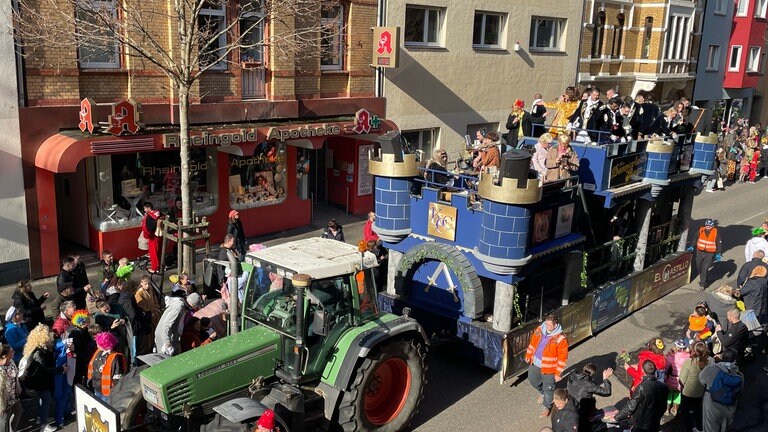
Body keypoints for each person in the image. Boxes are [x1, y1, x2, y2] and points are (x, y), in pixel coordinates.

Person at [525, 314, 569, 418]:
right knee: (533, 380)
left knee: (549, 389)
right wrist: (528, 355)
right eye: (546, 324)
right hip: (535, 363)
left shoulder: (561, 338)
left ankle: (547, 406)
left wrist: (558, 373)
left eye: (550, 325)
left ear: (556, 325)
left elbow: (562, 358)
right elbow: (533, 343)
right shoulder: (540, 329)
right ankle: (543, 392)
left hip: (549, 369)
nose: (547, 326)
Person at [23, 324, 65, 432]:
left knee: (43, 401)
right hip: (40, 382)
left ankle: (40, 418)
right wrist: (61, 369)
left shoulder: (37, 348)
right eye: (48, 333)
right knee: (45, 401)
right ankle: (43, 425)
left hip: (39, 381)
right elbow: (45, 369)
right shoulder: (38, 352)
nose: (50, 334)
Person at [611, 360, 669, 432]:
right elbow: (664, 406)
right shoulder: (664, 386)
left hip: (642, 423)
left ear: (642, 370)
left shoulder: (642, 387)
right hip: (655, 421)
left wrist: (616, 417)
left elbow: (630, 406)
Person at [698, 349, 743, 432]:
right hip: (729, 406)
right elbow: (740, 391)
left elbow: (701, 380)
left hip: (712, 404)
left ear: (722, 357)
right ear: (734, 360)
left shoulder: (711, 369)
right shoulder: (739, 375)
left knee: (709, 427)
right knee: (725, 427)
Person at [566, 363, 612, 431]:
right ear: (593, 374)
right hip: (582, 410)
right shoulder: (589, 384)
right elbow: (607, 392)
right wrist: (605, 379)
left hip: (570, 405)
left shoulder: (572, 375)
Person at [678, 342, 711, 432]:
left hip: (687, 392)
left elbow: (682, 379)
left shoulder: (689, 362)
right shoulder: (709, 361)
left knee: (686, 411)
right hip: (700, 392)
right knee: (697, 410)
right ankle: (700, 427)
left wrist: (683, 387)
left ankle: (690, 428)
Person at [87, 332, 127, 403]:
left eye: (99, 343)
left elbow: (117, 377)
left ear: (105, 345)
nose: (97, 345)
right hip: (97, 386)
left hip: (107, 392)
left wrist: (114, 391)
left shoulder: (116, 357)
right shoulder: (99, 352)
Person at [51, 319, 72, 428]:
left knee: (65, 393)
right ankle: (61, 418)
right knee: (62, 394)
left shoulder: (61, 341)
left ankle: (64, 415)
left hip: (64, 371)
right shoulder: (59, 343)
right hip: (61, 371)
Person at [135, 275, 161, 356]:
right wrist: (149, 312)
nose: (147, 286)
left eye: (149, 284)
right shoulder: (139, 293)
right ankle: (147, 350)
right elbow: (142, 305)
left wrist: (157, 309)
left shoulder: (151, 289)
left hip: (155, 315)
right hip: (148, 317)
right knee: (148, 336)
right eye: (145, 284)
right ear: (141, 283)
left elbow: (155, 300)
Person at [692, 219, 722, 289]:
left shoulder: (716, 233)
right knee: (698, 266)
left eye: (710, 225)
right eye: (707, 225)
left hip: (709, 254)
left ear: (712, 226)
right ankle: (704, 276)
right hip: (700, 252)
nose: (708, 227)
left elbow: (719, 243)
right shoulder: (701, 230)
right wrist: (691, 246)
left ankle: (702, 284)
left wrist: (718, 253)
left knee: (704, 268)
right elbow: (695, 238)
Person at [664, 340, 690, 416]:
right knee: (678, 395)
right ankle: (675, 409)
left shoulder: (671, 356)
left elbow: (666, 368)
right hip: (681, 380)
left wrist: (665, 375)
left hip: (671, 379)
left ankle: (667, 410)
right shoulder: (688, 357)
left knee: (669, 394)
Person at [0, 343, 22, 432]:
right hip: (3, 399)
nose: (14, 352)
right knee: (4, 420)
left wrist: (18, 386)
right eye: (11, 351)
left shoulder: (11, 362)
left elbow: (16, 374)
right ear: (5, 355)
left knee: (19, 411)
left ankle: (12, 430)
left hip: (13, 396)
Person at [69, 311, 95, 387]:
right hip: (79, 361)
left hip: (84, 358)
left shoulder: (84, 331)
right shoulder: (75, 334)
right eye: (87, 321)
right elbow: (76, 350)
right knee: (78, 378)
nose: (89, 322)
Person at [141, 201, 164, 273]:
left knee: (153, 252)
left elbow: (147, 228)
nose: (144, 210)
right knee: (159, 251)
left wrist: (147, 235)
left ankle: (155, 268)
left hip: (153, 237)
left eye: (145, 208)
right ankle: (161, 266)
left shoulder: (149, 216)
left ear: (148, 208)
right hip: (160, 235)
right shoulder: (159, 213)